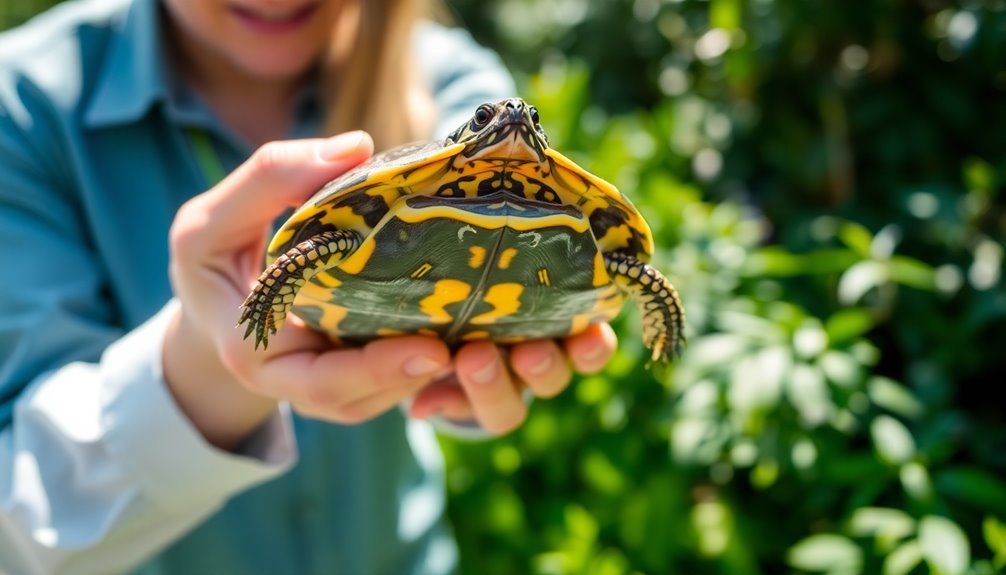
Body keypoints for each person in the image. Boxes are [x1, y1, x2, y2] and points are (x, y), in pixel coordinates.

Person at [0, 0, 618, 573]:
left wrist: (474, 376)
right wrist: (207, 367)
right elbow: (21, 523)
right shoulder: (24, 107)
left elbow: (517, 286)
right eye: (491, 121)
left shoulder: (445, 74)